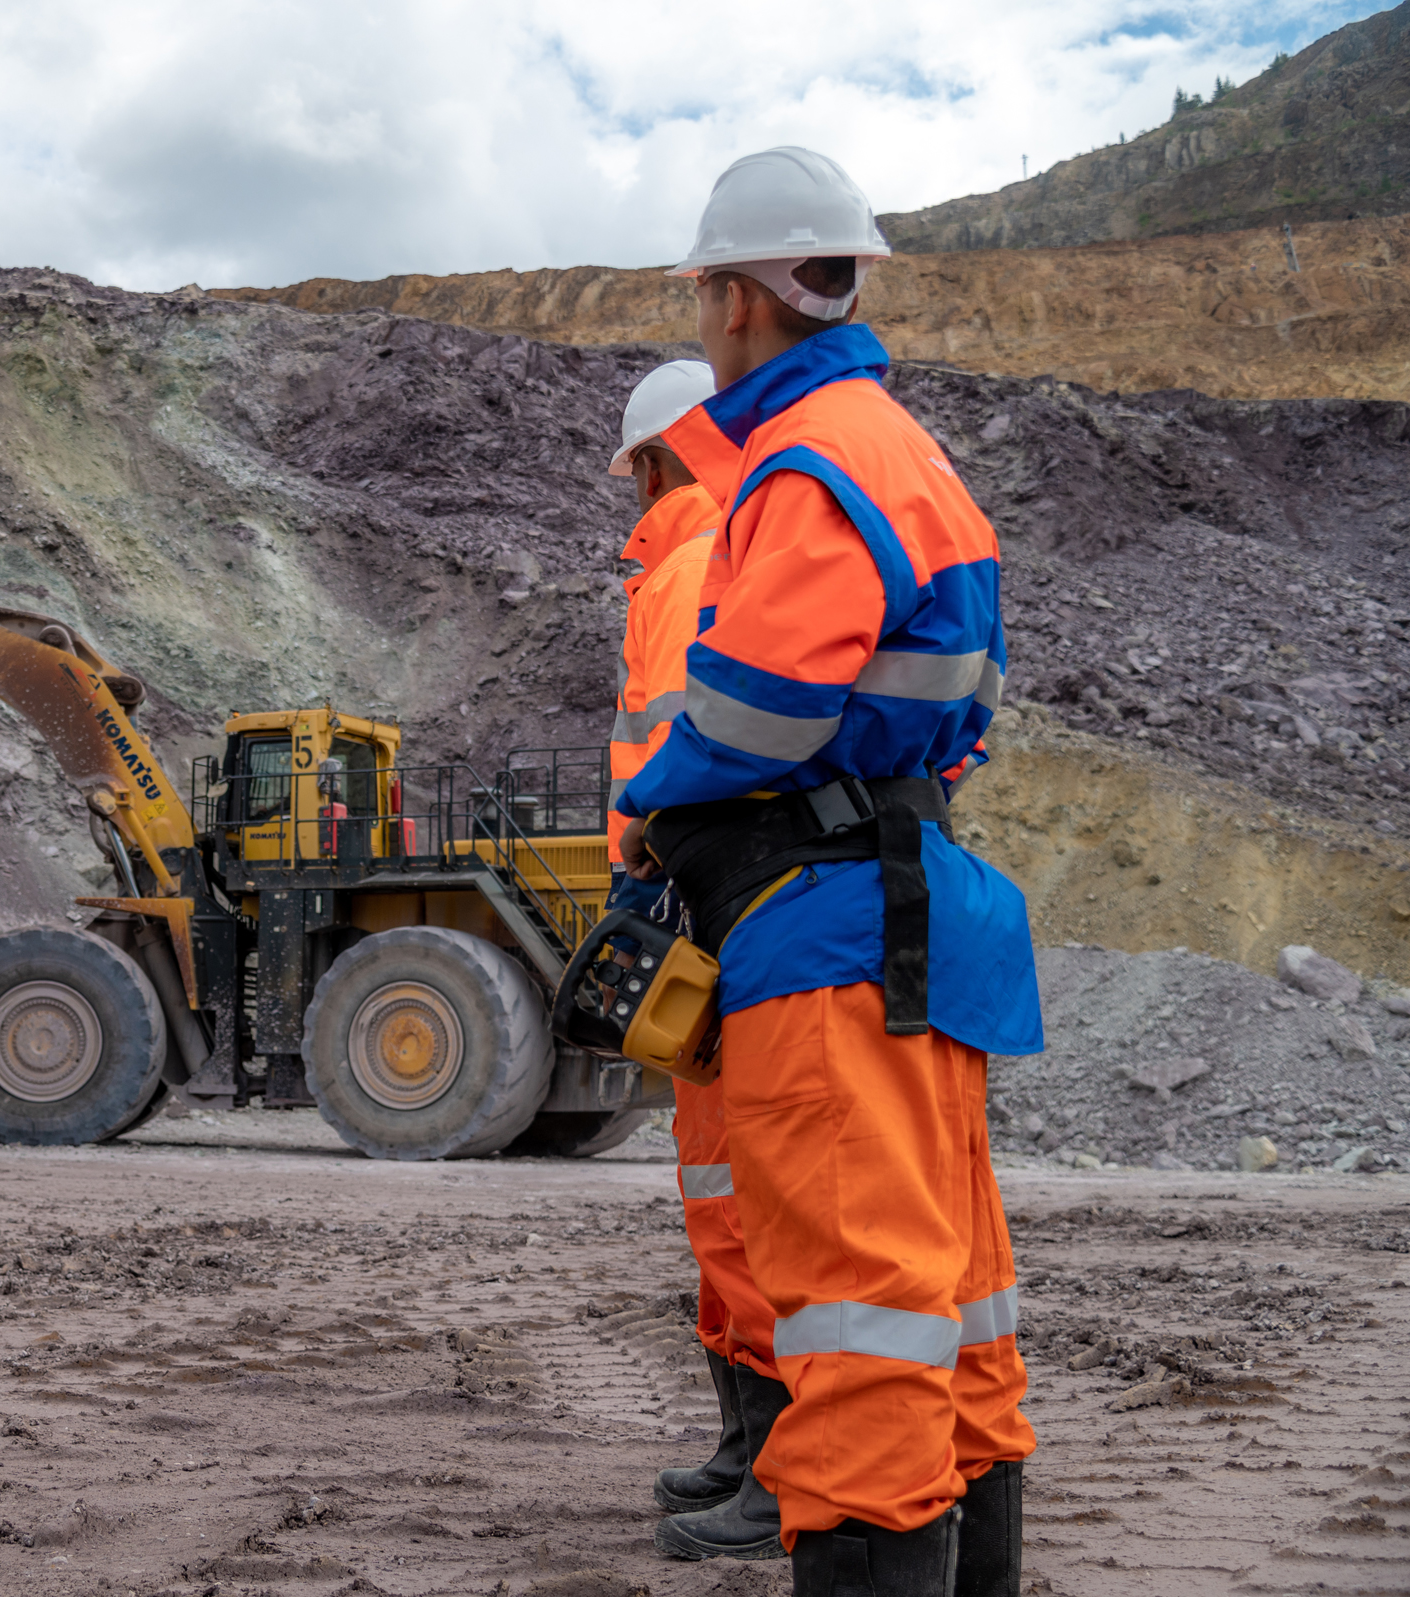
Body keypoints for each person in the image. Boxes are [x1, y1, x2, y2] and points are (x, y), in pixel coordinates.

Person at [616, 147, 1044, 1597]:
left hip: (822, 930)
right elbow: (960, 704)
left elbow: (749, 711)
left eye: (703, 291)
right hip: (912, 907)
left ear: (737, 297)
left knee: (858, 1322)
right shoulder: (907, 447)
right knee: (947, 1313)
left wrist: (665, 816)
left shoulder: (807, 460)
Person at [605, 360, 789, 1563]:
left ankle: (776, 1467)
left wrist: (645, 880)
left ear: (664, 457)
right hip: (723, 893)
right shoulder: (738, 546)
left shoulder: (687, 563)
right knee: (722, 1188)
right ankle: (745, 1445)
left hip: (700, 897)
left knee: (735, 1191)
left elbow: (668, 746)